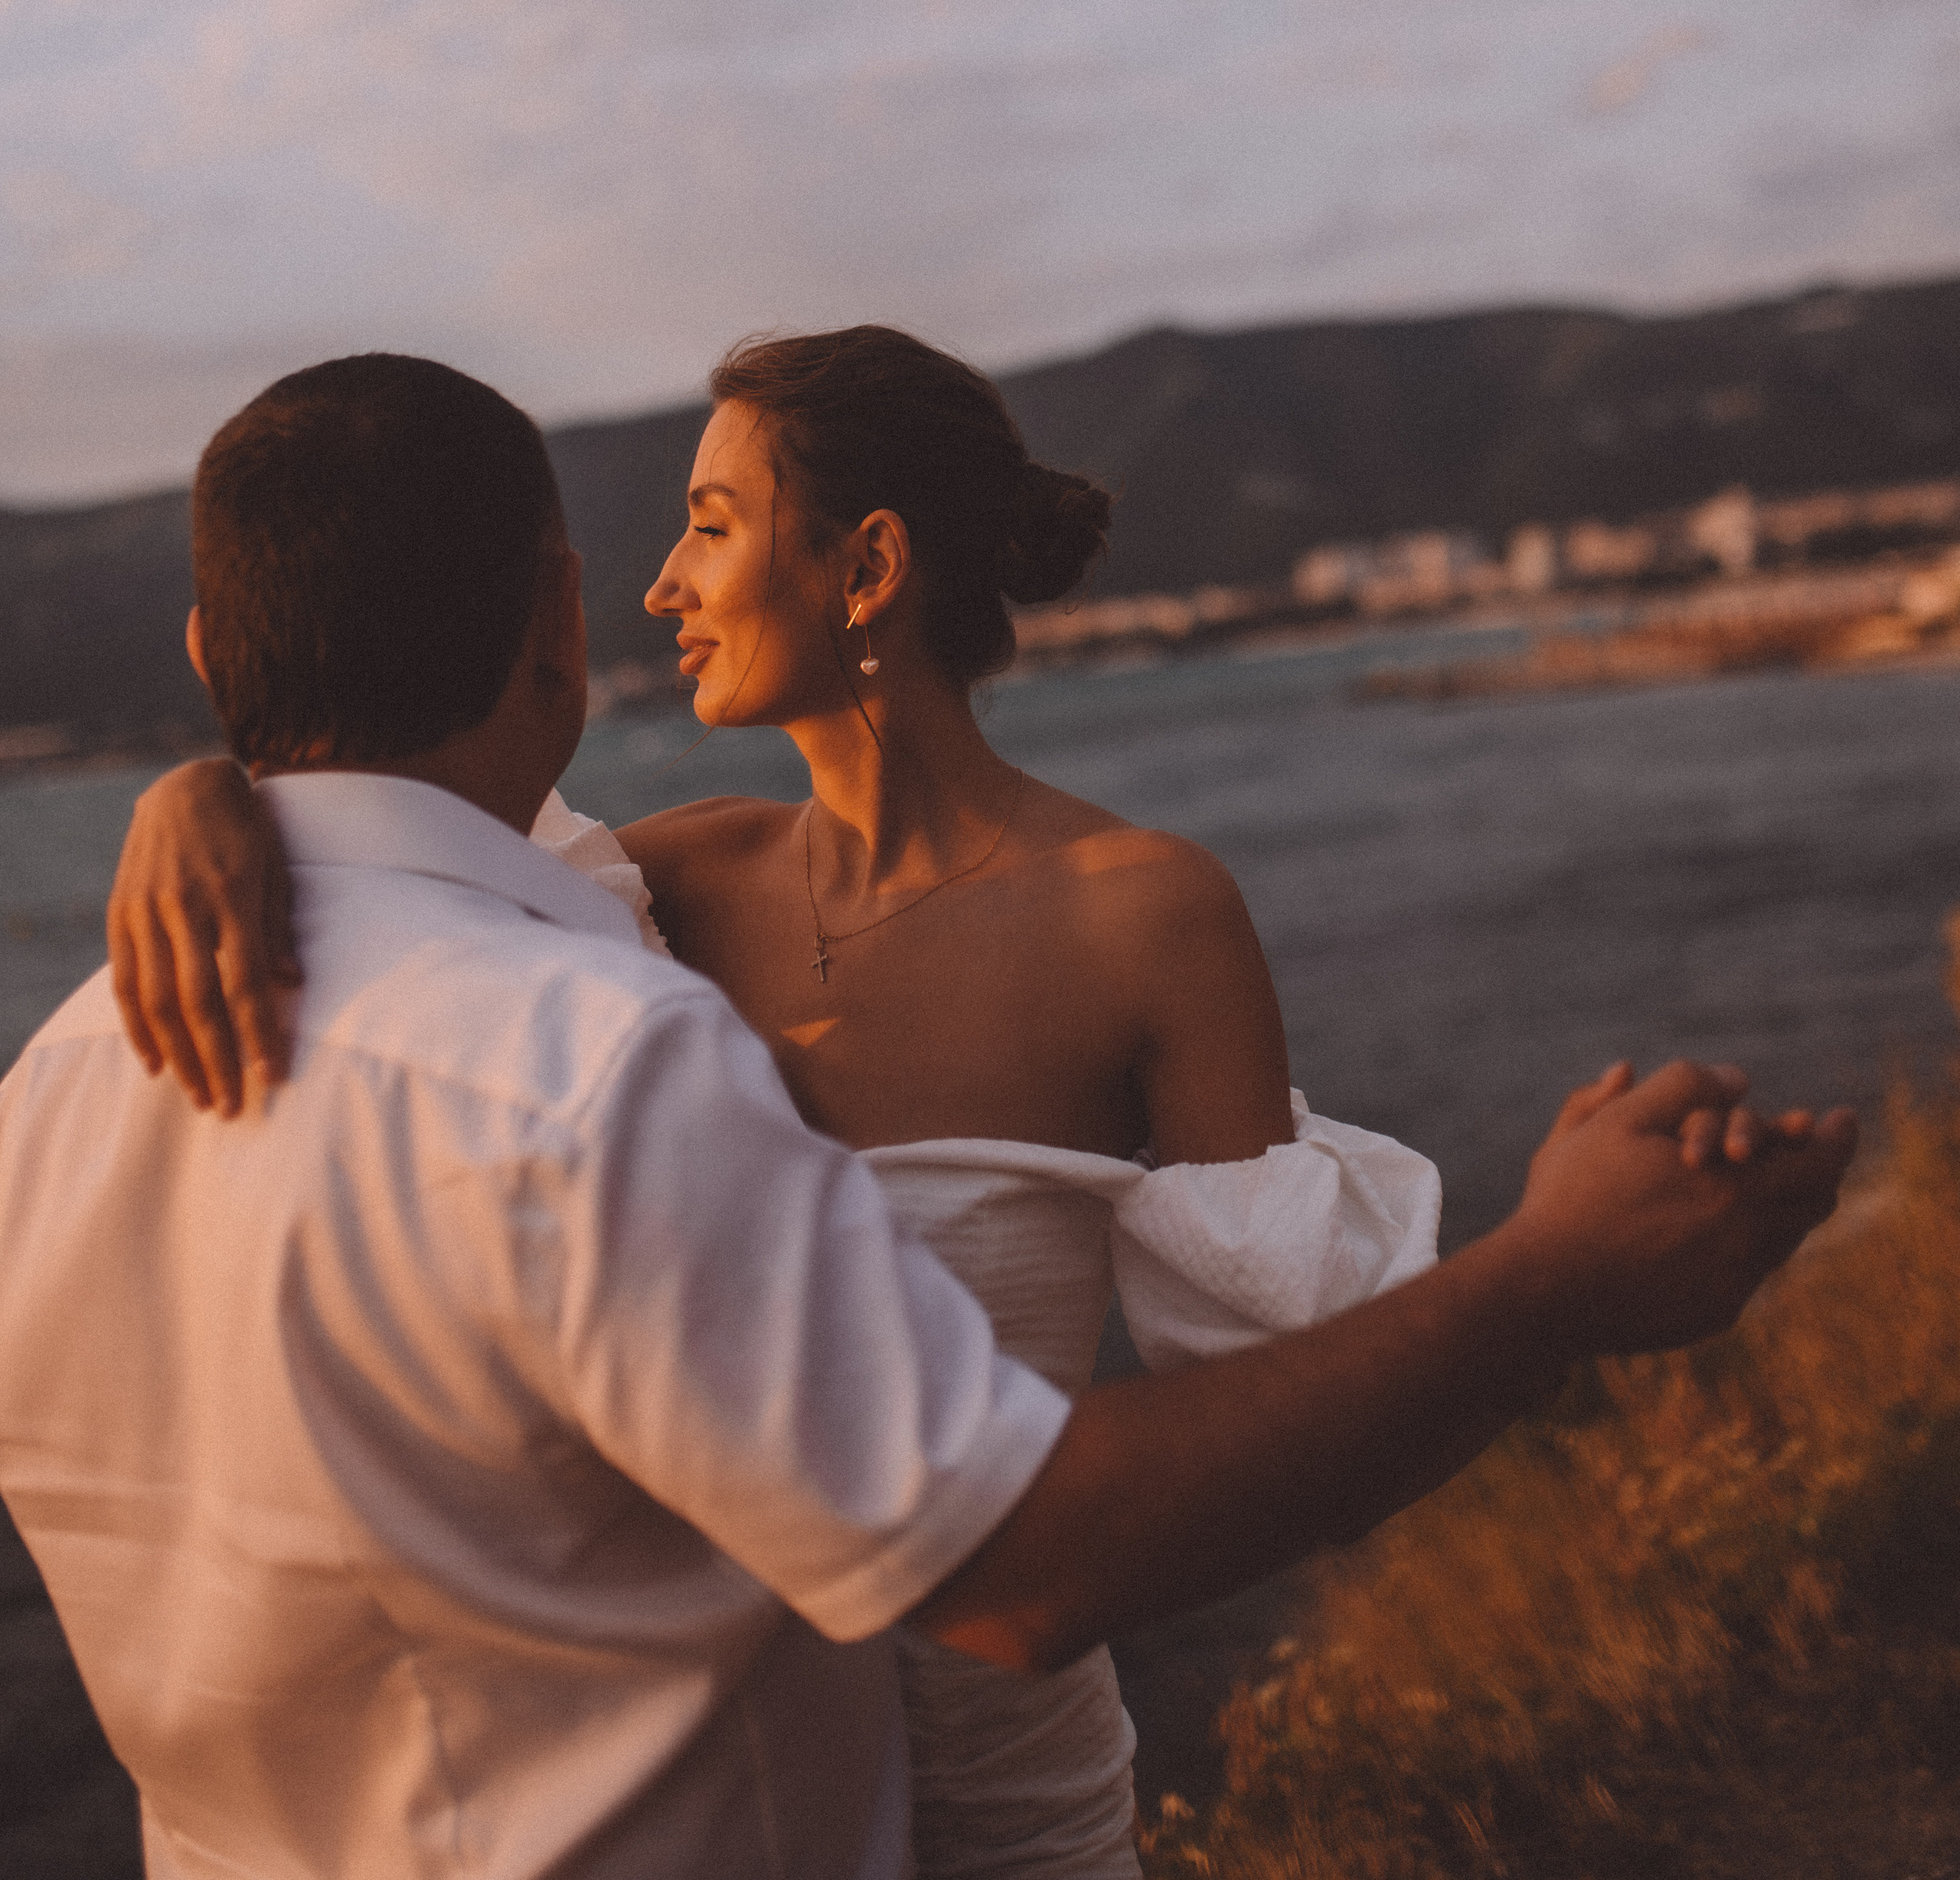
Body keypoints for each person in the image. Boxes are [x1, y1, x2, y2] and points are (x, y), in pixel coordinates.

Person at [104, 328, 1851, 1878]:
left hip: (1008, 1789)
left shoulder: (1143, 912)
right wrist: (202, 798)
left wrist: (1566, 1269)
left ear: (864, 563)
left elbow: (1293, 1400)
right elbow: (395, 848)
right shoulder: (665, 886)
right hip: (711, 1794)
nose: (657, 584)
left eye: (710, 522)